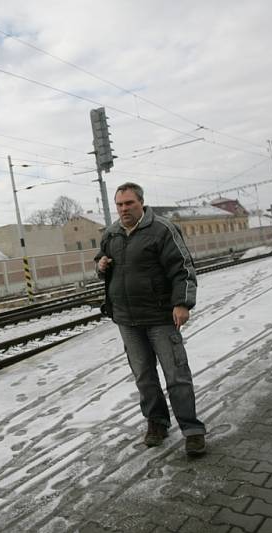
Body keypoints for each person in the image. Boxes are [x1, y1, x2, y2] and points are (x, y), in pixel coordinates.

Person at [95, 182, 206, 457]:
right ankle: (156, 423)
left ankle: (192, 430)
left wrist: (181, 303)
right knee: (144, 376)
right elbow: (101, 261)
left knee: (176, 375)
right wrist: (100, 265)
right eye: (119, 205)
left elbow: (182, 268)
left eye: (129, 203)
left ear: (141, 203)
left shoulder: (162, 230)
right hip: (127, 320)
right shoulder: (111, 233)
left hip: (160, 317)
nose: (123, 209)